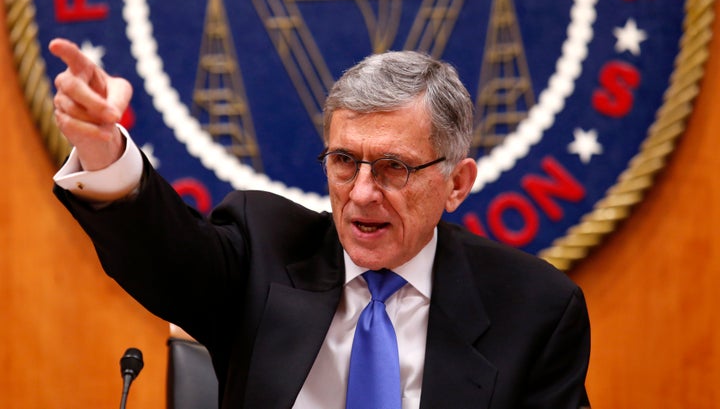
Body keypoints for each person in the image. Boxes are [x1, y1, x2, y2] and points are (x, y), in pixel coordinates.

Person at [50, 38, 591, 409]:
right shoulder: (264, 252)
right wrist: (102, 150)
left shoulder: (534, 310)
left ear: (457, 183)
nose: (360, 193)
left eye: (393, 168)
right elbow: (162, 250)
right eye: (343, 162)